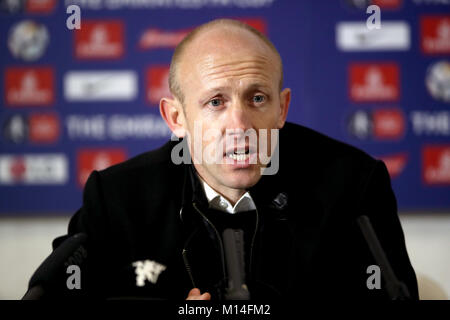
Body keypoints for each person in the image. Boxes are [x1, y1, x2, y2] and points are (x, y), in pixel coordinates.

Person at [48, 19, 418, 300]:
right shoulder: (116, 198)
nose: (239, 125)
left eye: (257, 98)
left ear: (282, 108)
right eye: (215, 102)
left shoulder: (353, 184)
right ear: (176, 118)